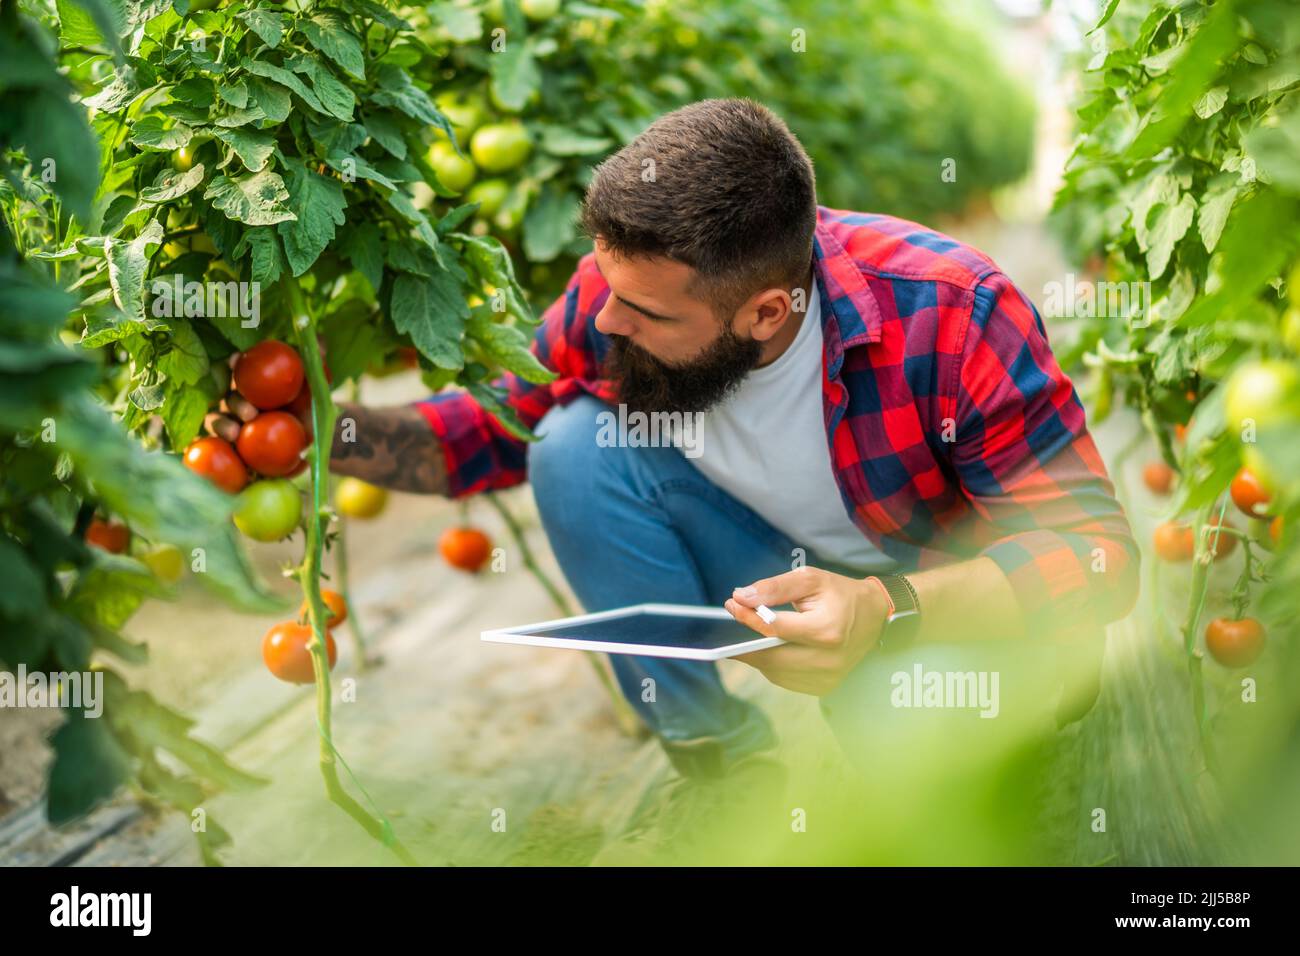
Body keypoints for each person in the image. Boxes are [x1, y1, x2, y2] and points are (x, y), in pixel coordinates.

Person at [328, 98, 1140, 781]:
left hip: (938, 603)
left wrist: (886, 611)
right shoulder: (622, 291)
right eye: (605, 287)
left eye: (645, 315)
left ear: (764, 314)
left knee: (918, 758)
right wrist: (326, 433)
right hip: (792, 570)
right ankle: (722, 755)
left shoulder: (952, 315)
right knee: (573, 446)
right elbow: (496, 427)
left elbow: (1098, 556)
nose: (604, 320)